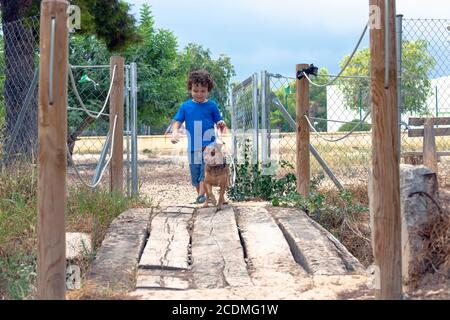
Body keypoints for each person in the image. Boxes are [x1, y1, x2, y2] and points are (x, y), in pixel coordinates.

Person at [171, 70, 226, 204]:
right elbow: (177, 121)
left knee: (204, 170)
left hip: (209, 145)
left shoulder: (212, 105)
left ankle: (203, 194)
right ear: (191, 89)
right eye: (196, 91)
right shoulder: (185, 107)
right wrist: (175, 132)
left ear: (208, 91)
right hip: (193, 147)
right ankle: (203, 196)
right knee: (195, 175)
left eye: (203, 91)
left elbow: (220, 122)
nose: (199, 94)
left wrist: (221, 124)